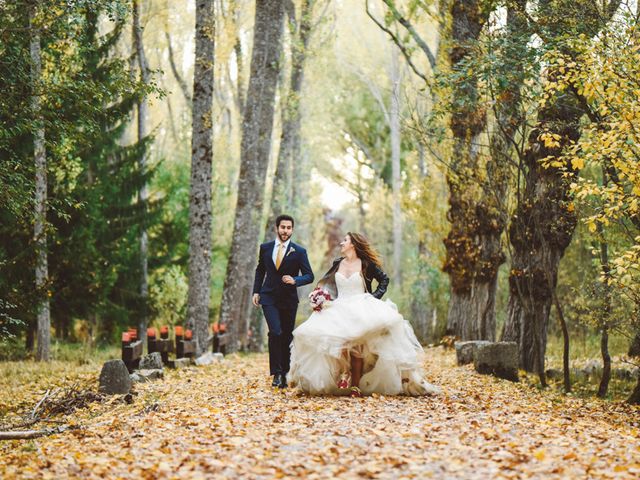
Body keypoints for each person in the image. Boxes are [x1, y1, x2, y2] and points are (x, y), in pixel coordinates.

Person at [287, 232, 440, 397]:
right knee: (333, 339)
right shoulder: (338, 263)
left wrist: (373, 297)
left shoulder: (366, 264)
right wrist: (319, 297)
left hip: (361, 307)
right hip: (339, 307)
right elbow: (327, 285)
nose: (341, 243)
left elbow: (384, 280)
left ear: (353, 244)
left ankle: (355, 386)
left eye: (345, 240)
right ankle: (344, 372)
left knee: (357, 347)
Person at [253, 215, 314, 389]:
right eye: (282, 227)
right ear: (276, 228)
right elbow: (260, 270)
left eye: (288, 228)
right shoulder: (265, 248)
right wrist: (256, 291)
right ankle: (277, 374)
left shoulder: (299, 251)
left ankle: (286, 373)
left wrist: (295, 280)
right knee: (275, 332)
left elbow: (309, 275)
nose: (285, 231)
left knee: (287, 335)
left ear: (292, 230)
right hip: (269, 297)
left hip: (288, 299)